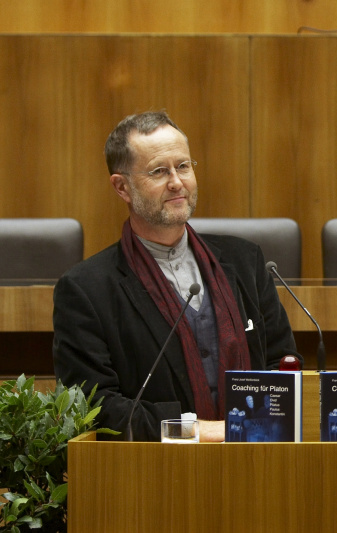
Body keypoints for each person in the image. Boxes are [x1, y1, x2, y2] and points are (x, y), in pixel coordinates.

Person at [53, 111, 300, 442]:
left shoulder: (245, 262)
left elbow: (284, 365)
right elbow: (94, 405)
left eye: (183, 166)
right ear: (121, 186)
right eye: (158, 171)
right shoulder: (86, 290)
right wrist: (194, 431)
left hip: (255, 458)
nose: (176, 182)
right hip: (154, 475)